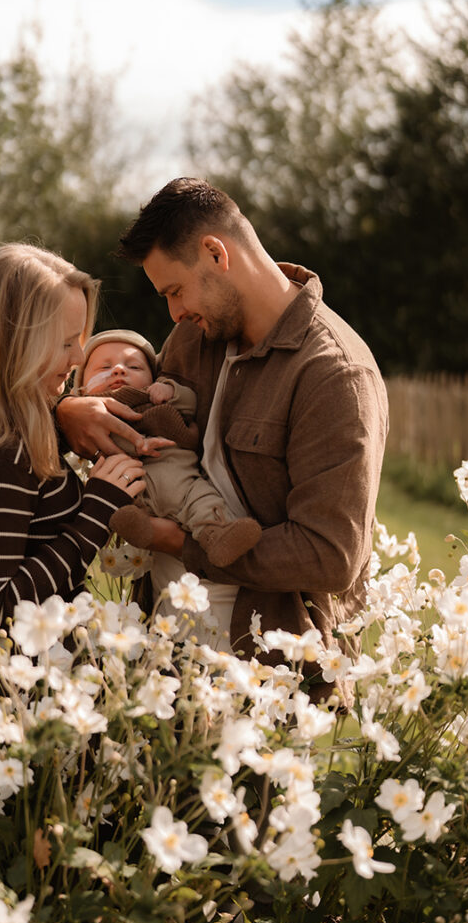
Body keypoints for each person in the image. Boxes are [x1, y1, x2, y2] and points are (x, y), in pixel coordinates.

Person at [56, 178, 389, 684]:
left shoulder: (335, 374)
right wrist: (67, 411)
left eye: (175, 291)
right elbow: (130, 412)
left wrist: (182, 544)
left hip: (266, 674)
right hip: (159, 653)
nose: (174, 312)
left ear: (216, 253)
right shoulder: (194, 337)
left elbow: (330, 555)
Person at [0, 243, 145, 630]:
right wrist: (96, 515)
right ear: (12, 344)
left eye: (80, 340)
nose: (79, 358)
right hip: (22, 669)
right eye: (66, 343)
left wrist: (63, 414)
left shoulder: (13, 434)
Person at [73, 328, 262, 570]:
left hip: (181, 481)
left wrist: (170, 390)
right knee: (122, 511)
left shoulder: (153, 398)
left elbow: (189, 403)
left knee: (202, 502)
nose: (119, 370)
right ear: (82, 391)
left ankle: (217, 536)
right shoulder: (95, 418)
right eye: (104, 367)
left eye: (134, 367)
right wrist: (135, 443)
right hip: (133, 491)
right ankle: (141, 528)